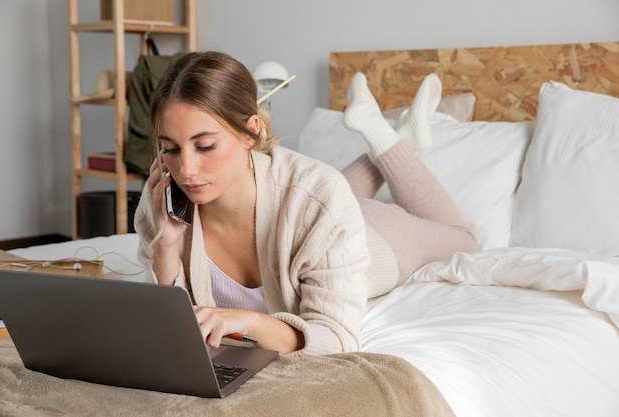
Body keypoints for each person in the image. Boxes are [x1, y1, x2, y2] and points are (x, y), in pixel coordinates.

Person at [134, 51, 477, 357]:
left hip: (377, 238)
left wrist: (250, 322)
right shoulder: (162, 199)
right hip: (319, 209)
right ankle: (402, 138)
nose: (185, 170)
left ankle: (388, 137)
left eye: (205, 145)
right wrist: (165, 246)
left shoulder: (321, 199)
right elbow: (169, 329)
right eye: (170, 149)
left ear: (250, 131)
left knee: (464, 240)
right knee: (316, 195)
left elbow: (337, 339)